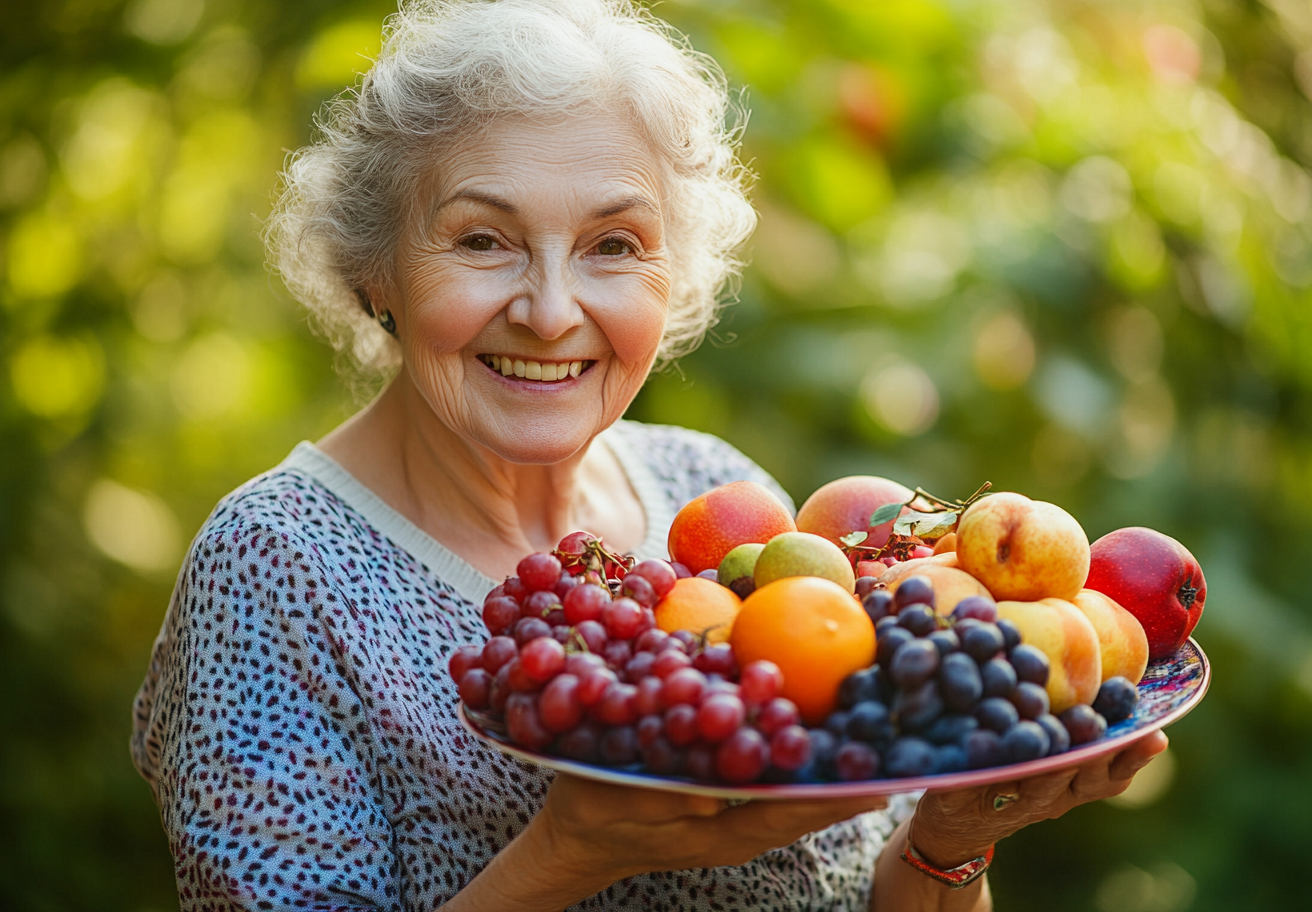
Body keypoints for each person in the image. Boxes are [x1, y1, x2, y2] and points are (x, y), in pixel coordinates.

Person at [130, 1, 1168, 909]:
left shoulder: (720, 501)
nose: (547, 311)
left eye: (613, 245)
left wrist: (949, 844)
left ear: (673, 280)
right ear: (376, 269)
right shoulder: (275, 566)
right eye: (483, 240)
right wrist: (565, 857)